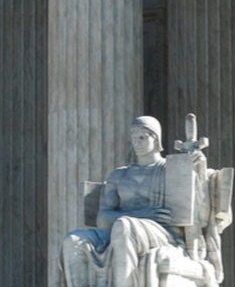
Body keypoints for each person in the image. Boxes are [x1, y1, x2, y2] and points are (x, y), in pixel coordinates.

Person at [62, 117, 189, 287]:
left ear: (156, 139)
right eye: (134, 138)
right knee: (73, 240)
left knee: (124, 226)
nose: (137, 143)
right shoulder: (119, 175)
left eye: (142, 137)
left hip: (162, 234)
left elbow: (198, 192)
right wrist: (142, 215)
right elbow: (103, 219)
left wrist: (197, 164)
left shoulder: (170, 170)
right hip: (121, 230)